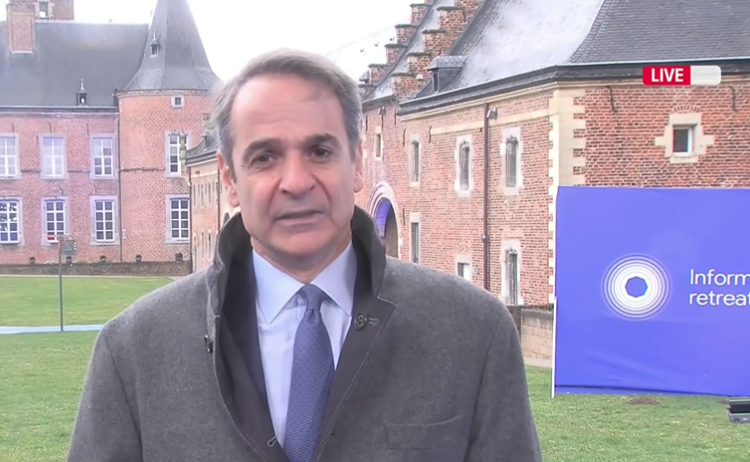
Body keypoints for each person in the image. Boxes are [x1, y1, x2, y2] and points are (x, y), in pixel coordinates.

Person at [66, 49, 542, 462]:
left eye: (319, 151)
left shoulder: (472, 332)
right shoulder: (134, 350)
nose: (295, 182)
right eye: (265, 157)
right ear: (229, 178)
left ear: (356, 162)